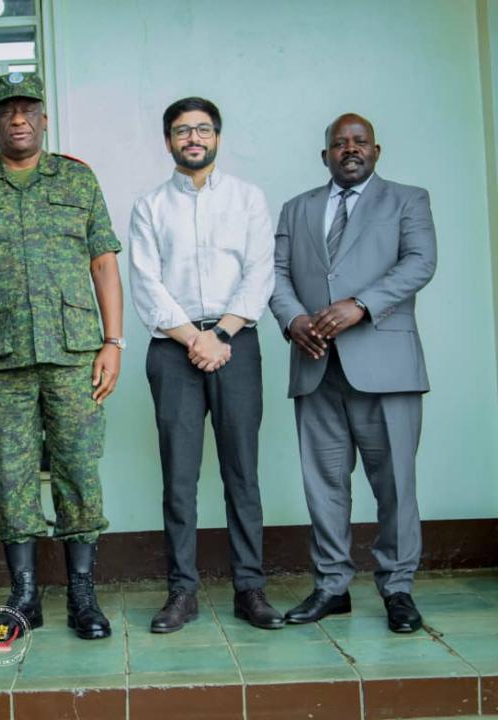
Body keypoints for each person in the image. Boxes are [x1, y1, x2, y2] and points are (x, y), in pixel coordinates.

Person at [0, 71, 124, 640]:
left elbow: (104, 265)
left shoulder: (78, 179)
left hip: (74, 355)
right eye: (8, 110)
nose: (18, 118)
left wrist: (113, 343)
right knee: (11, 475)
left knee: (78, 470)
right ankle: (23, 596)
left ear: (44, 118)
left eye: (28, 109)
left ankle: (82, 595)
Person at [269, 113, 437, 633]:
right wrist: (294, 319)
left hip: (386, 367)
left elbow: (420, 262)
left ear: (377, 150)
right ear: (325, 156)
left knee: (395, 485)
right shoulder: (297, 209)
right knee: (323, 484)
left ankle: (398, 588)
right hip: (317, 366)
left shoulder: (408, 199)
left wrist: (361, 304)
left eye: (359, 141)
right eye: (339, 144)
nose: (349, 149)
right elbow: (273, 274)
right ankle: (331, 585)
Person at [128, 97, 284, 633]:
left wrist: (220, 334)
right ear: (168, 140)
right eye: (181, 131)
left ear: (217, 135)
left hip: (235, 342)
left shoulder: (248, 199)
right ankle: (182, 592)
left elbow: (261, 273)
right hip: (173, 350)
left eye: (202, 129)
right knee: (179, 477)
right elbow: (146, 285)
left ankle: (250, 589)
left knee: (242, 472)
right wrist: (195, 338)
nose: (192, 138)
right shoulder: (149, 207)